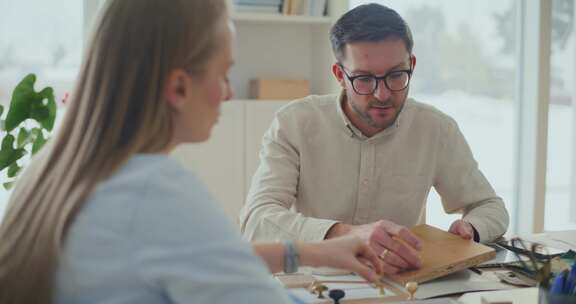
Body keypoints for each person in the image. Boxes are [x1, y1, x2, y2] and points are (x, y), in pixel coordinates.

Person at [0, 1, 385, 303]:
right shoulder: (154, 190)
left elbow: (202, 256)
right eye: (223, 74)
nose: (228, 92)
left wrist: (316, 252)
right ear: (180, 88)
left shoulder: (54, 170)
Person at [240, 3, 510, 274]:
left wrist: (472, 229)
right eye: (365, 79)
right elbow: (256, 222)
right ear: (339, 75)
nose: (382, 94)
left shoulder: (435, 128)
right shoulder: (294, 123)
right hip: (316, 285)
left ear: (411, 66)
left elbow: (490, 207)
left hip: (403, 288)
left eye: (395, 75)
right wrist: (345, 234)